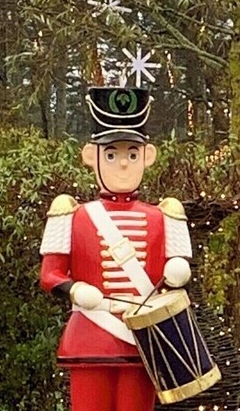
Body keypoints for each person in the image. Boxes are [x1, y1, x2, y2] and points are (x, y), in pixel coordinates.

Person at [37, 87, 194, 411]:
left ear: (147, 156)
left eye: (132, 154)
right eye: (111, 154)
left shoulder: (165, 214)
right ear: (89, 156)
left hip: (143, 337)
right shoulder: (71, 213)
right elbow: (49, 275)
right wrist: (75, 289)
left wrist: (177, 272)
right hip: (90, 333)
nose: (123, 164)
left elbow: (174, 277)